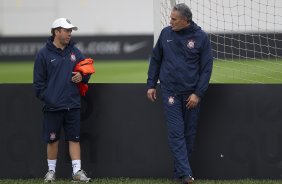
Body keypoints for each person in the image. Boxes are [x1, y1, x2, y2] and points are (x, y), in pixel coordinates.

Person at [146, 3, 213, 184]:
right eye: (170, 18)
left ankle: (180, 175)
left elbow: (207, 69)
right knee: (176, 132)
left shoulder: (201, 38)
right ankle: (186, 174)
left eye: (174, 19)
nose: (170, 22)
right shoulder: (166, 34)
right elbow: (156, 59)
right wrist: (151, 84)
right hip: (170, 93)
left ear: (185, 20)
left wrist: (198, 94)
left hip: (191, 95)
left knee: (188, 134)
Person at [33, 18, 92, 183]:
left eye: (70, 31)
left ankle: (77, 172)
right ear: (56, 32)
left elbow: (86, 69)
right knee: (52, 140)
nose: (69, 34)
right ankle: (51, 172)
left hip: (72, 105)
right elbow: (38, 85)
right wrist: (50, 98)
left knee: (74, 139)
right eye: (66, 30)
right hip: (53, 107)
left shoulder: (75, 51)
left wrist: (82, 76)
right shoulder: (43, 54)